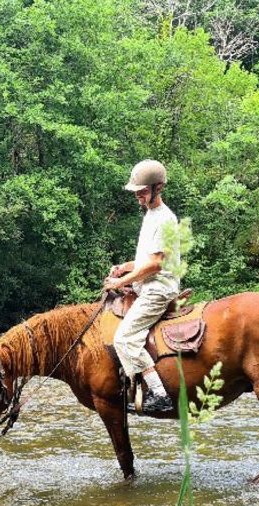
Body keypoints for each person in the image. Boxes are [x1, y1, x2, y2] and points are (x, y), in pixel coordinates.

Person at [103, 159, 180, 413]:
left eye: (142, 191)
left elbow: (156, 264)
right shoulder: (150, 215)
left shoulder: (166, 219)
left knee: (124, 339)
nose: (138, 196)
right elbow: (145, 259)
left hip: (159, 288)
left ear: (158, 188)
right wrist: (125, 267)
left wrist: (120, 282)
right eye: (136, 192)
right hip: (145, 284)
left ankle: (160, 394)